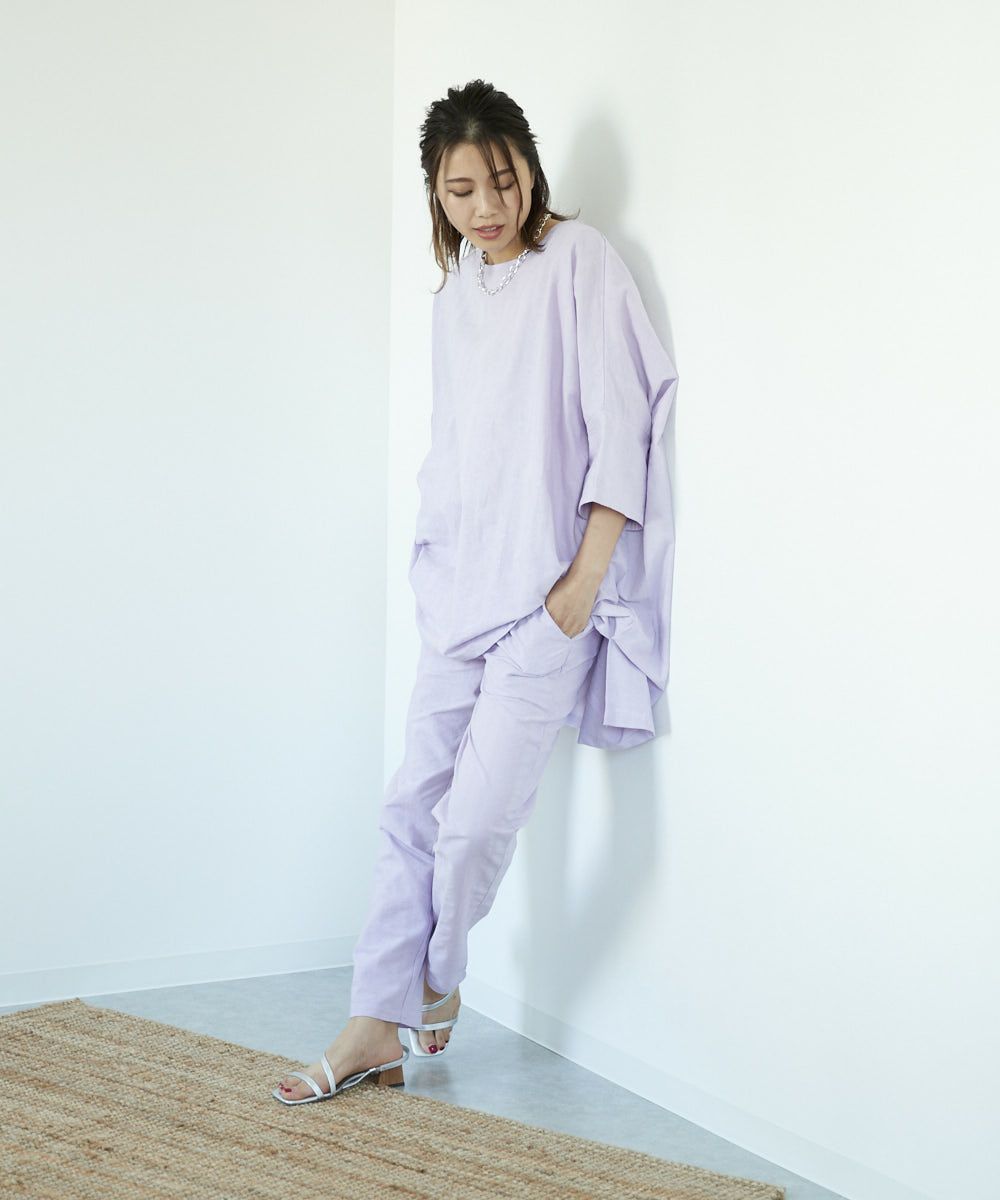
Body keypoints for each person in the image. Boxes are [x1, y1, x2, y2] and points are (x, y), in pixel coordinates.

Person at [274, 79, 678, 1103]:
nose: (487, 206)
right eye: (461, 191)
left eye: (503, 179)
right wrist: (435, 553)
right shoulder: (456, 287)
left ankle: (431, 981)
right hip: (455, 590)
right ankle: (370, 1026)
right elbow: (461, 439)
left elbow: (624, 420)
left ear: (530, 167)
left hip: (545, 601)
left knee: (472, 829)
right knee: (409, 807)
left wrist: (582, 583)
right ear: (435, 194)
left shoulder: (580, 262)